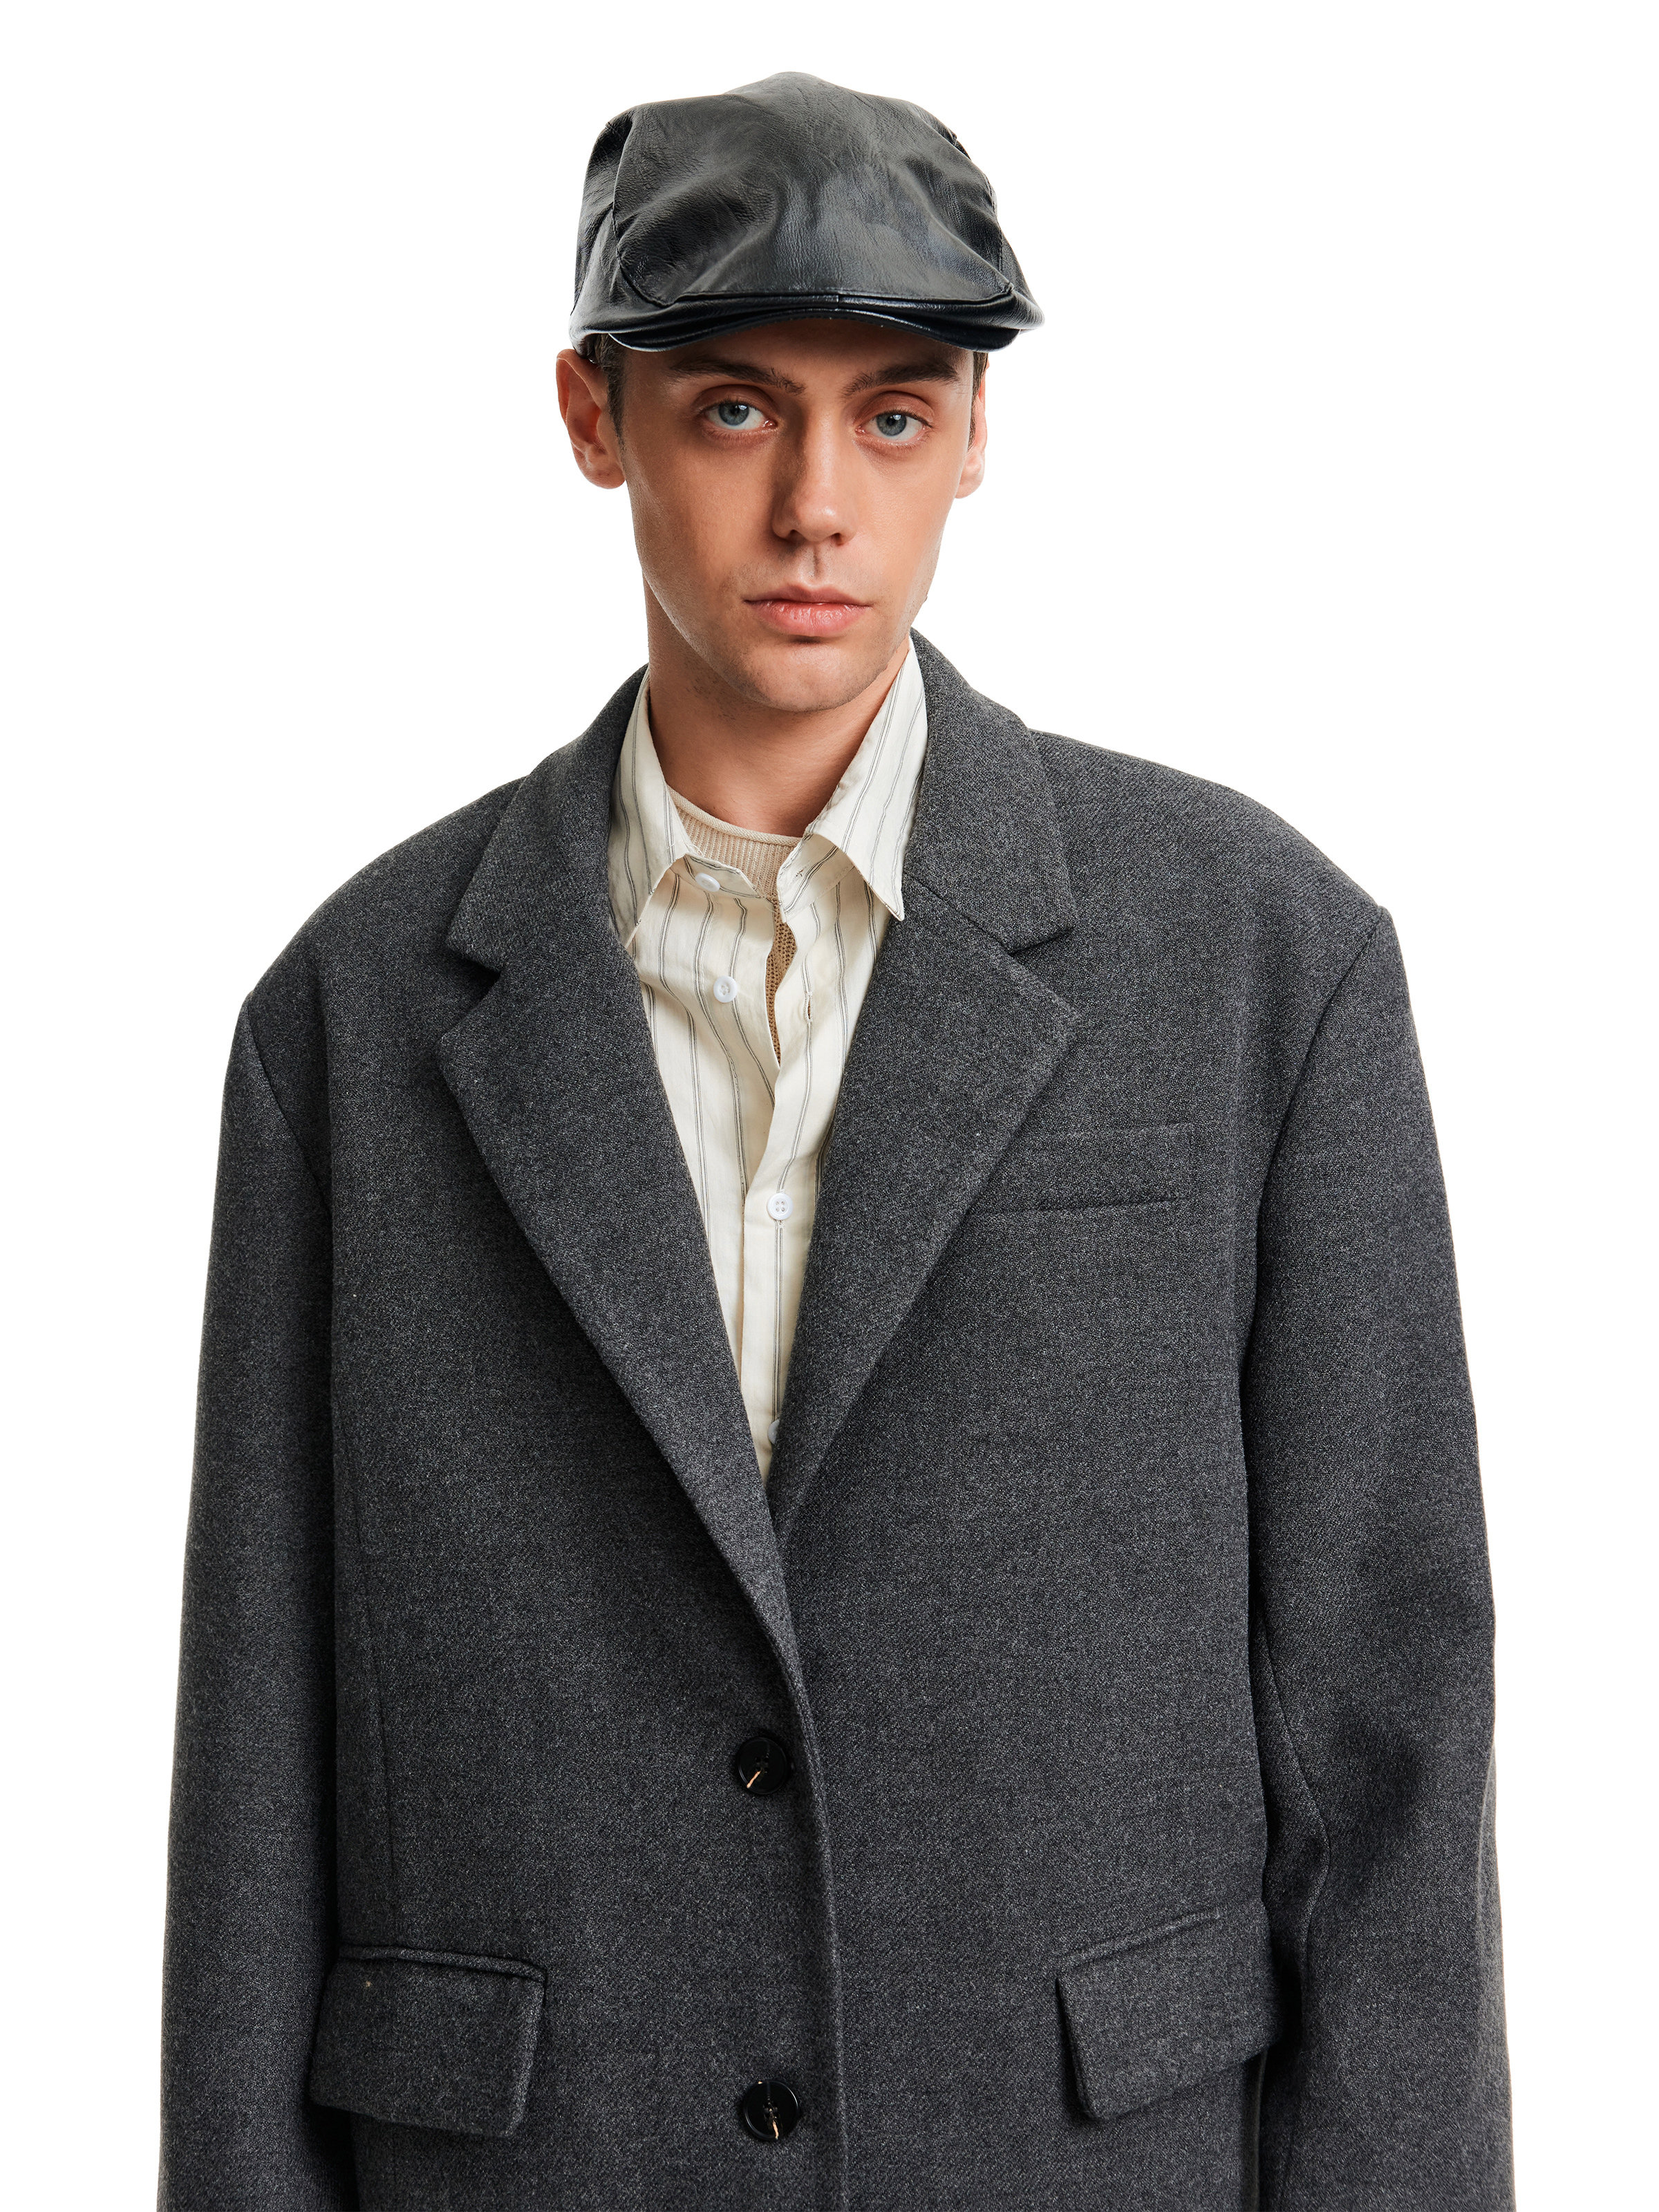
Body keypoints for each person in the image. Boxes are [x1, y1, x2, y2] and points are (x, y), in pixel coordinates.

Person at [158, 71, 1513, 2212]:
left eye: (891, 415)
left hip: (1079, 2160)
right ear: (594, 417)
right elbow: (258, 1770)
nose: (817, 508)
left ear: (974, 436)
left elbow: (1388, 1728)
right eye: (733, 411)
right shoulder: (353, 1017)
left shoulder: (1262, 961)